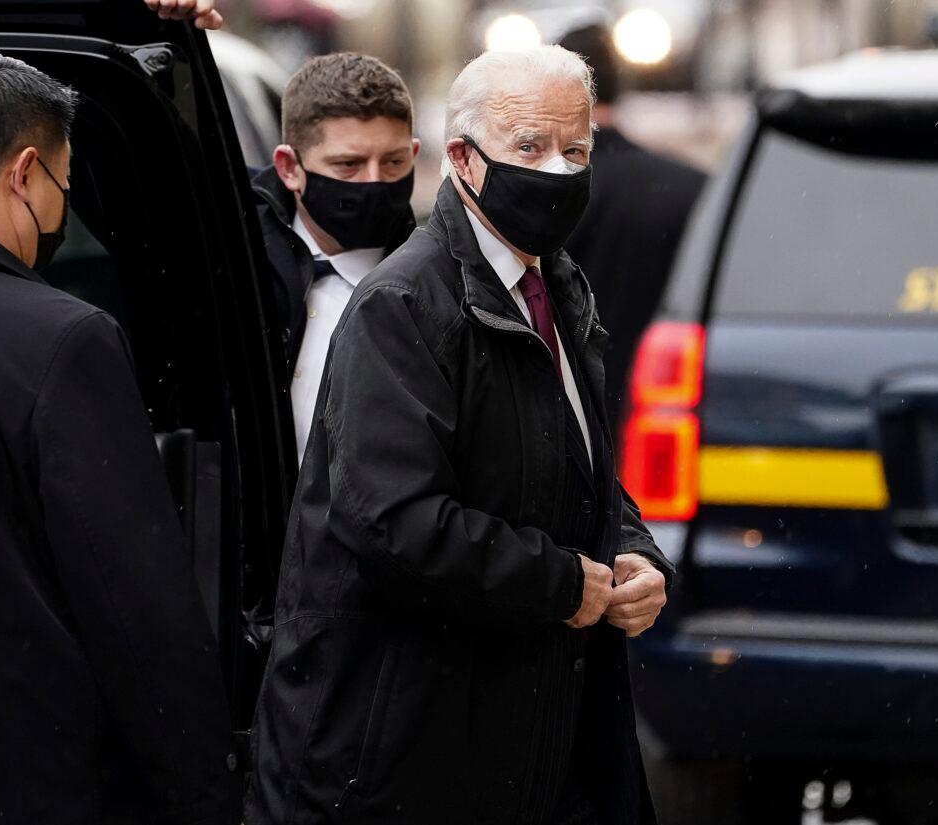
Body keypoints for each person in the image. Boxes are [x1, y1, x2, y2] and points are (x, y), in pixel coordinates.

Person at [247, 46, 672, 825]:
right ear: (465, 162)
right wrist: (561, 582)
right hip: (409, 751)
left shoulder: (557, 286)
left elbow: (572, 463)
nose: (555, 172)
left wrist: (633, 552)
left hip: (528, 732)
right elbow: (395, 524)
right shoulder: (403, 305)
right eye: (529, 148)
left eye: (574, 150)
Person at [0, 48, 240, 824]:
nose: (61, 210)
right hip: (32, 783)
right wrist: (203, 793)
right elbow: (135, 607)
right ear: (25, 172)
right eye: (64, 183)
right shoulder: (62, 338)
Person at [250, 52, 418, 463]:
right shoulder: (238, 244)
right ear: (289, 167)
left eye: (394, 163)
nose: (375, 182)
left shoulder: (432, 283)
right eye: (349, 165)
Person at [558, 24, 707, 436]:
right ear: (621, 84)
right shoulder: (690, 188)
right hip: (665, 414)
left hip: (566, 426)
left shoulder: (536, 195)